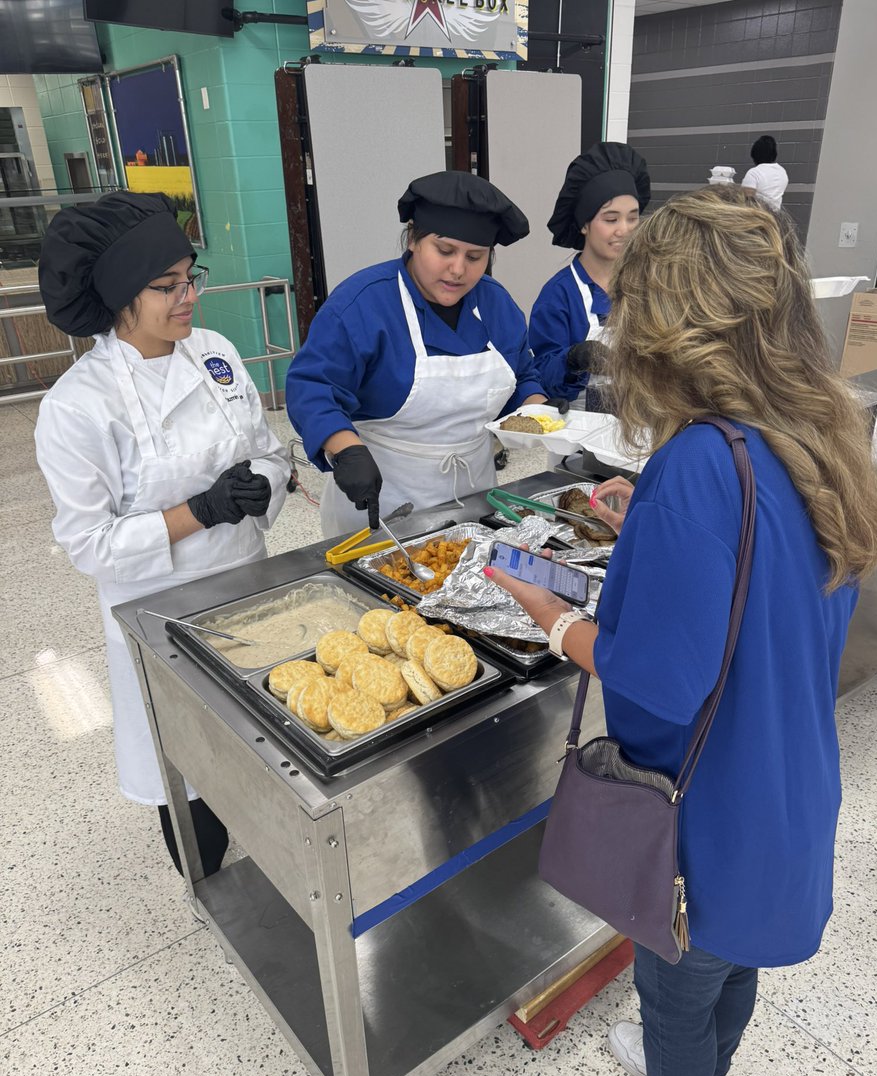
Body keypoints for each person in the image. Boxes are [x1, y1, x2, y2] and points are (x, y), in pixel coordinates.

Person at [485, 186, 877, 1076]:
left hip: (705, 801)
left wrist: (557, 616)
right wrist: (650, 536)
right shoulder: (812, 427)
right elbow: (767, 588)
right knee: (734, 954)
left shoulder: (701, 461)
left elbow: (658, 683)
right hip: (787, 777)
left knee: (674, 974)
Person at [35, 192, 291, 878]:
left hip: (246, 579)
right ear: (120, 294)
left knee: (265, 737)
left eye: (190, 278)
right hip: (158, 612)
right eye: (165, 286)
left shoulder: (213, 353)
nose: (188, 298)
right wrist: (197, 512)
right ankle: (201, 862)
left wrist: (263, 483)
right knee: (187, 763)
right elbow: (90, 545)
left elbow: (265, 446)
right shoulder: (77, 407)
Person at [285, 171, 549, 537]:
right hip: (381, 501)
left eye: (475, 257)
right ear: (412, 238)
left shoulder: (497, 304)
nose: (458, 270)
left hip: (476, 496)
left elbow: (522, 376)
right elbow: (312, 388)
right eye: (444, 251)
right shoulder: (364, 304)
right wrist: (344, 449)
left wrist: (538, 412)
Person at [529, 142, 650, 413]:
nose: (625, 230)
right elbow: (540, 375)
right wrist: (573, 360)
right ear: (584, 224)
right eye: (611, 220)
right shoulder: (559, 295)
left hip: (642, 426)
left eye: (633, 218)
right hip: (578, 439)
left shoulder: (647, 285)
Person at [741, 135, 788, 211]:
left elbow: (748, 200)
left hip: (757, 217)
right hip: (775, 218)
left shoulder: (754, 173)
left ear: (755, 155)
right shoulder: (782, 172)